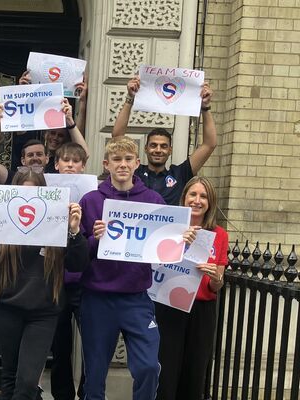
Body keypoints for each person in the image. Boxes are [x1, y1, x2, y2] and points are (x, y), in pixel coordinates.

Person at [78, 137, 196, 400]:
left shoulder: (153, 199)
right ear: (106, 164)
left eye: (128, 159)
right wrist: (93, 239)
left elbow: (168, 247)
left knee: (148, 367)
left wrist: (182, 242)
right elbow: (76, 255)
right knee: (94, 375)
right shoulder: (91, 200)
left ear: (137, 163)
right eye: (117, 160)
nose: (123, 165)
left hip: (136, 299)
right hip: (98, 299)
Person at [0, 168, 88, 400]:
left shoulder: (57, 222)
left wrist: (74, 232)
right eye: (22, 194)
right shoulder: (2, 221)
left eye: (35, 194)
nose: (28, 201)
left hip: (44, 313)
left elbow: (78, 264)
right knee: (10, 378)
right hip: (7, 308)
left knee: (27, 382)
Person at [155, 176, 228, 400]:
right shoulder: (170, 228)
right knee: (166, 370)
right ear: (184, 198)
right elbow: (154, 262)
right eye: (193, 195)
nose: (197, 200)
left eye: (203, 196)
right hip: (169, 305)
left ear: (210, 202)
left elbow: (217, 284)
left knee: (195, 370)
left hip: (202, 309)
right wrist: (178, 242)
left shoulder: (219, 235)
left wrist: (215, 277)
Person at [111, 76, 217, 205]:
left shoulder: (180, 174)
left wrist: (205, 107)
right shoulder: (134, 170)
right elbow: (117, 137)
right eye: (153, 145)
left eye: (164, 146)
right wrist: (130, 99)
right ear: (145, 148)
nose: (158, 150)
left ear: (170, 150)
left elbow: (209, 144)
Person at [49, 142, 88, 400]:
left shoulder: (91, 195)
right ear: (57, 165)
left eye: (76, 161)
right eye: (66, 161)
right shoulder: (46, 191)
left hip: (85, 282)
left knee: (90, 345)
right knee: (60, 346)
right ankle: (62, 395)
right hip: (55, 281)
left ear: (83, 166)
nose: (71, 165)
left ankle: (87, 392)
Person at [0, 98, 89, 184]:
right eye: (30, 155)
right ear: (23, 160)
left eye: (39, 154)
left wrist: (70, 121)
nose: (35, 158)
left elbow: (83, 154)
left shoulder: (57, 178)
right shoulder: (15, 178)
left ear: (47, 158)